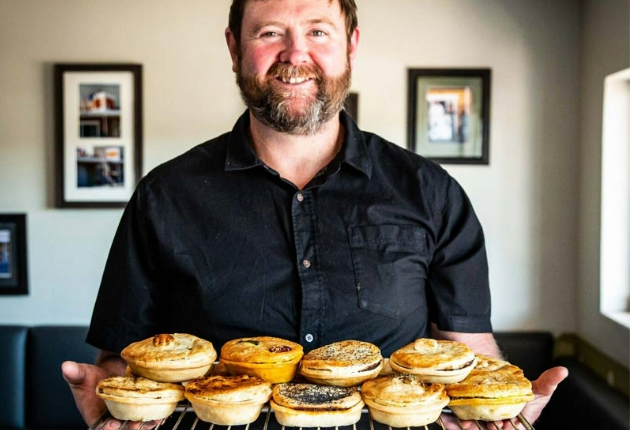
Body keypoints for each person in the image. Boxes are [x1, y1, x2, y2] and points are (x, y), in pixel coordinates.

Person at [62, 0, 568, 429]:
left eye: (317, 31)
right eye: (270, 32)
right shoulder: (164, 196)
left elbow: (467, 349)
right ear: (235, 48)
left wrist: (500, 406)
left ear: (351, 44)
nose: (295, 53)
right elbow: (124, 356)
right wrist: (113, 400)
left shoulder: (430, 193)